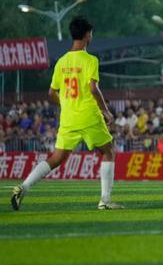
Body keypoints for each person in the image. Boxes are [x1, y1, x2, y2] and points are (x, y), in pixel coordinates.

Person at [11, 16, 123, 210]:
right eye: (91, 33)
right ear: (88, 35)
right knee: (108, 150)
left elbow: (51, 93)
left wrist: (66, 104)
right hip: (88, 115)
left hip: (69, 118)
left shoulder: (61, 62)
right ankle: (105, 200)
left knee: (56, 158)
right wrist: (106, 112)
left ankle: (24, 187)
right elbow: (93, 89)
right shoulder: (90, 60)